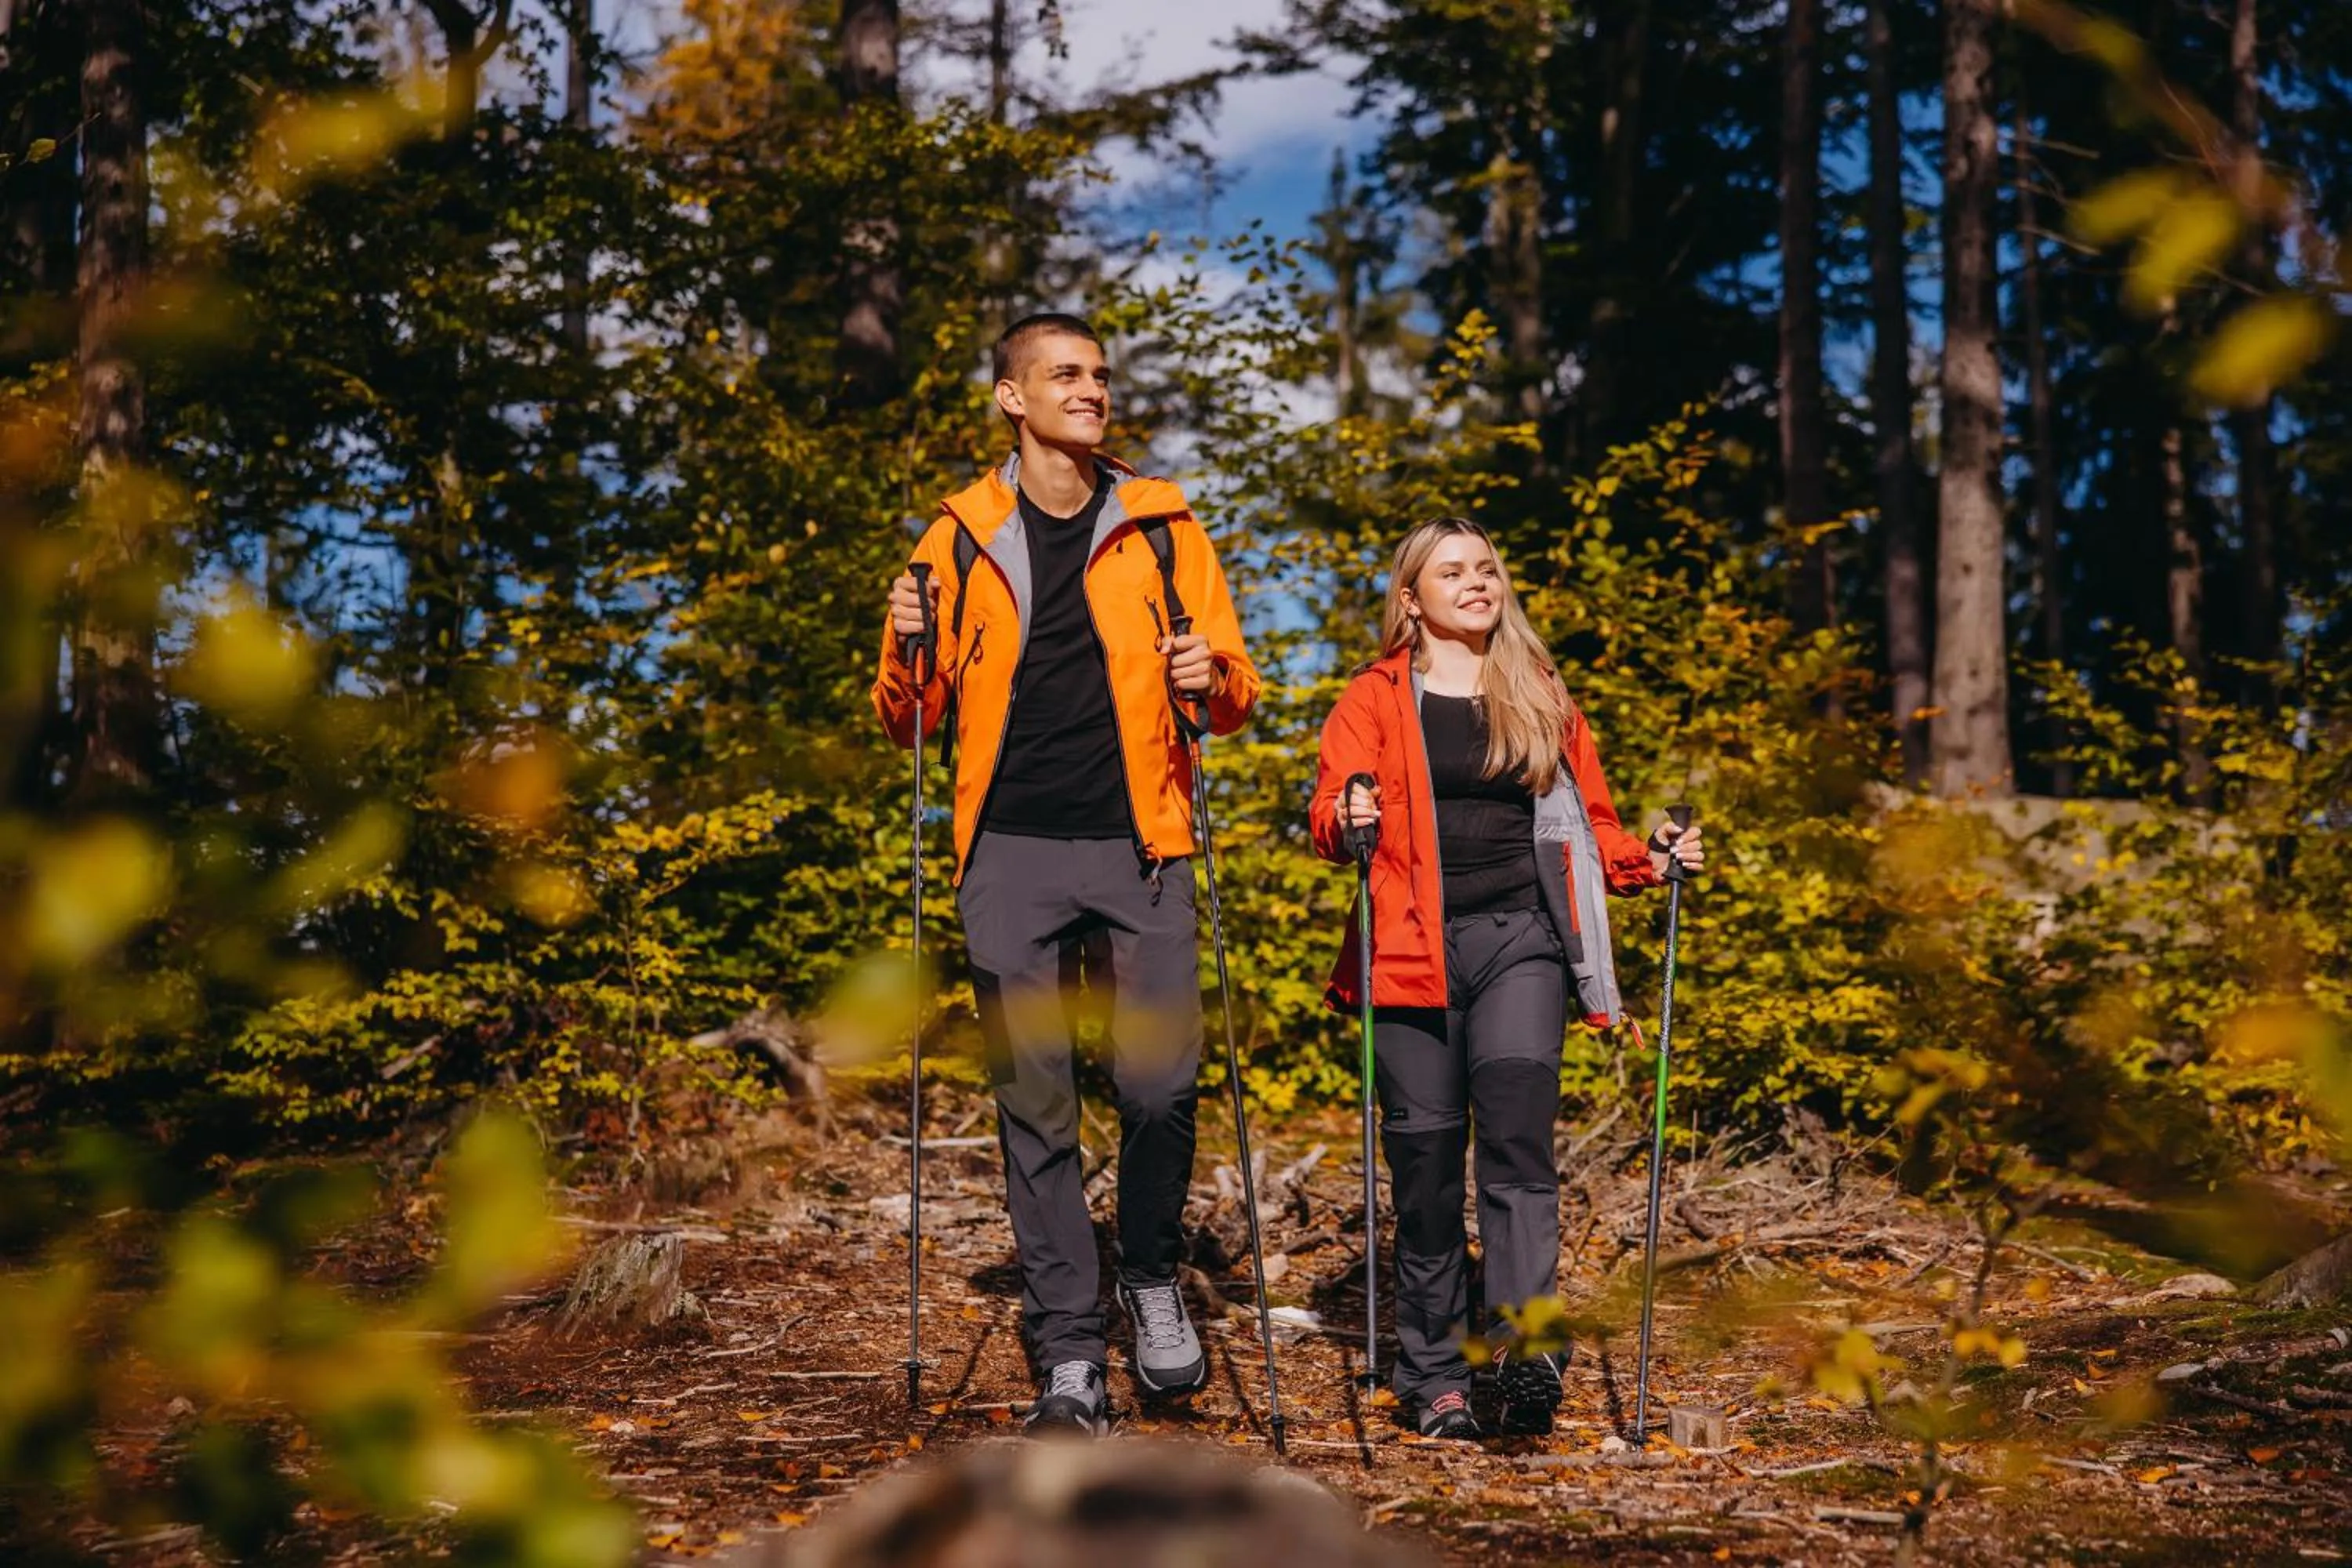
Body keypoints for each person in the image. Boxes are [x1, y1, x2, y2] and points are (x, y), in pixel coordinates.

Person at [873, 313, 1260, 1437]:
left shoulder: (1164, 527)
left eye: (1098, 375)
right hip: (1007, 853)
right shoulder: (953, 538)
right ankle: (1070, 1352)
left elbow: (1234, 694)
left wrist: (1210, 673)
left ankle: (1147, 1276)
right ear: (1013, 399)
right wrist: (904, 647)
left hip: (1144, 844)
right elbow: (909, 721)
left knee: (1160, 1086)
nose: (1091, 391)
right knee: (1034, 1107)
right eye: (1066, 376)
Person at [1308, 517, 1704, 1442]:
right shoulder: (1371, 699)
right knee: (1427, 1168)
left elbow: (1591, 827)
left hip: (1520, 938)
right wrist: (1347, 812)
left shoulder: (1541, 694)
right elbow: (1330, 814)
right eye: (1452, 571)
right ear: (1412, 598)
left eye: (1486, 566)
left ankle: (1528, 1347)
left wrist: (1652, 853)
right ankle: (1435, 1372)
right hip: (1408, 953)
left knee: (1520, 1146)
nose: (1476, 581)